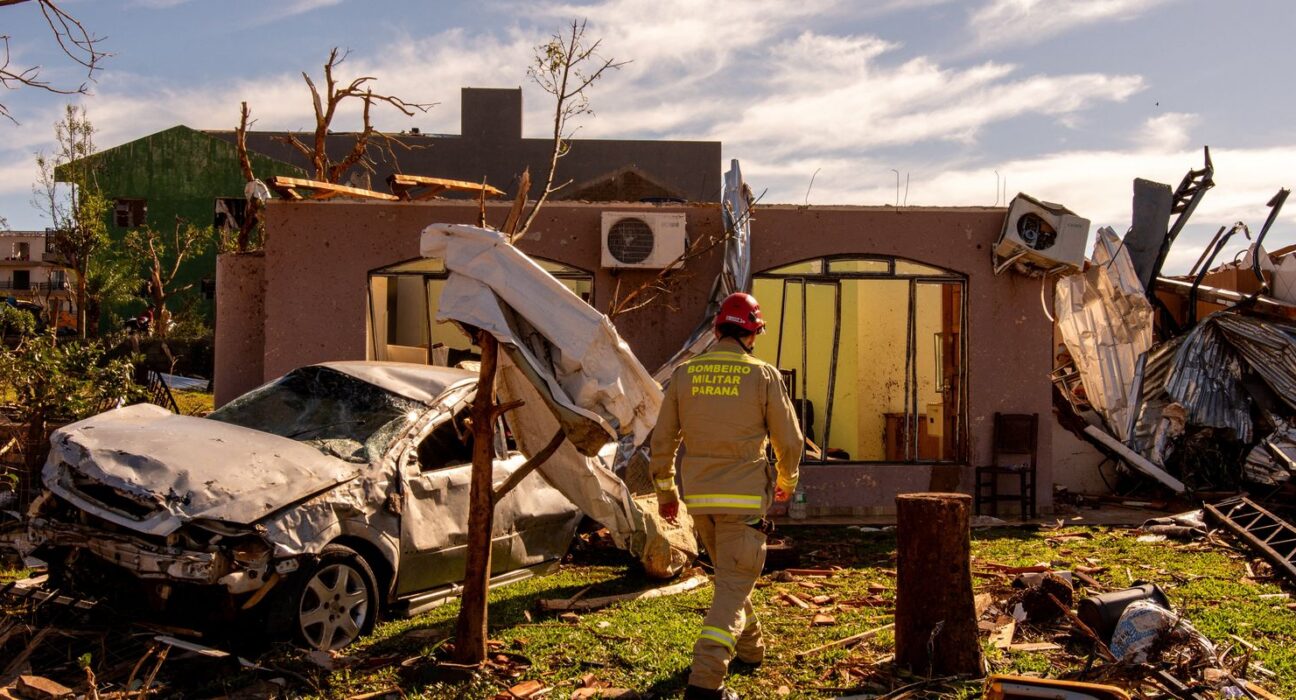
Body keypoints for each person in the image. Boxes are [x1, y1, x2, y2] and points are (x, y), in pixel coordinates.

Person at [650, 292, 803, 700]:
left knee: (731, 581)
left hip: (700, 499)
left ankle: (751, 651)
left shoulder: (684, 374)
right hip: (744, 500)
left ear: (717, 329)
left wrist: (666, 492)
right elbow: (789, 441)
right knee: (734, 584)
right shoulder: (763, 376)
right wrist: (788, 480)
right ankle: (706, 681)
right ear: (752, 334)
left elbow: (662, 441)